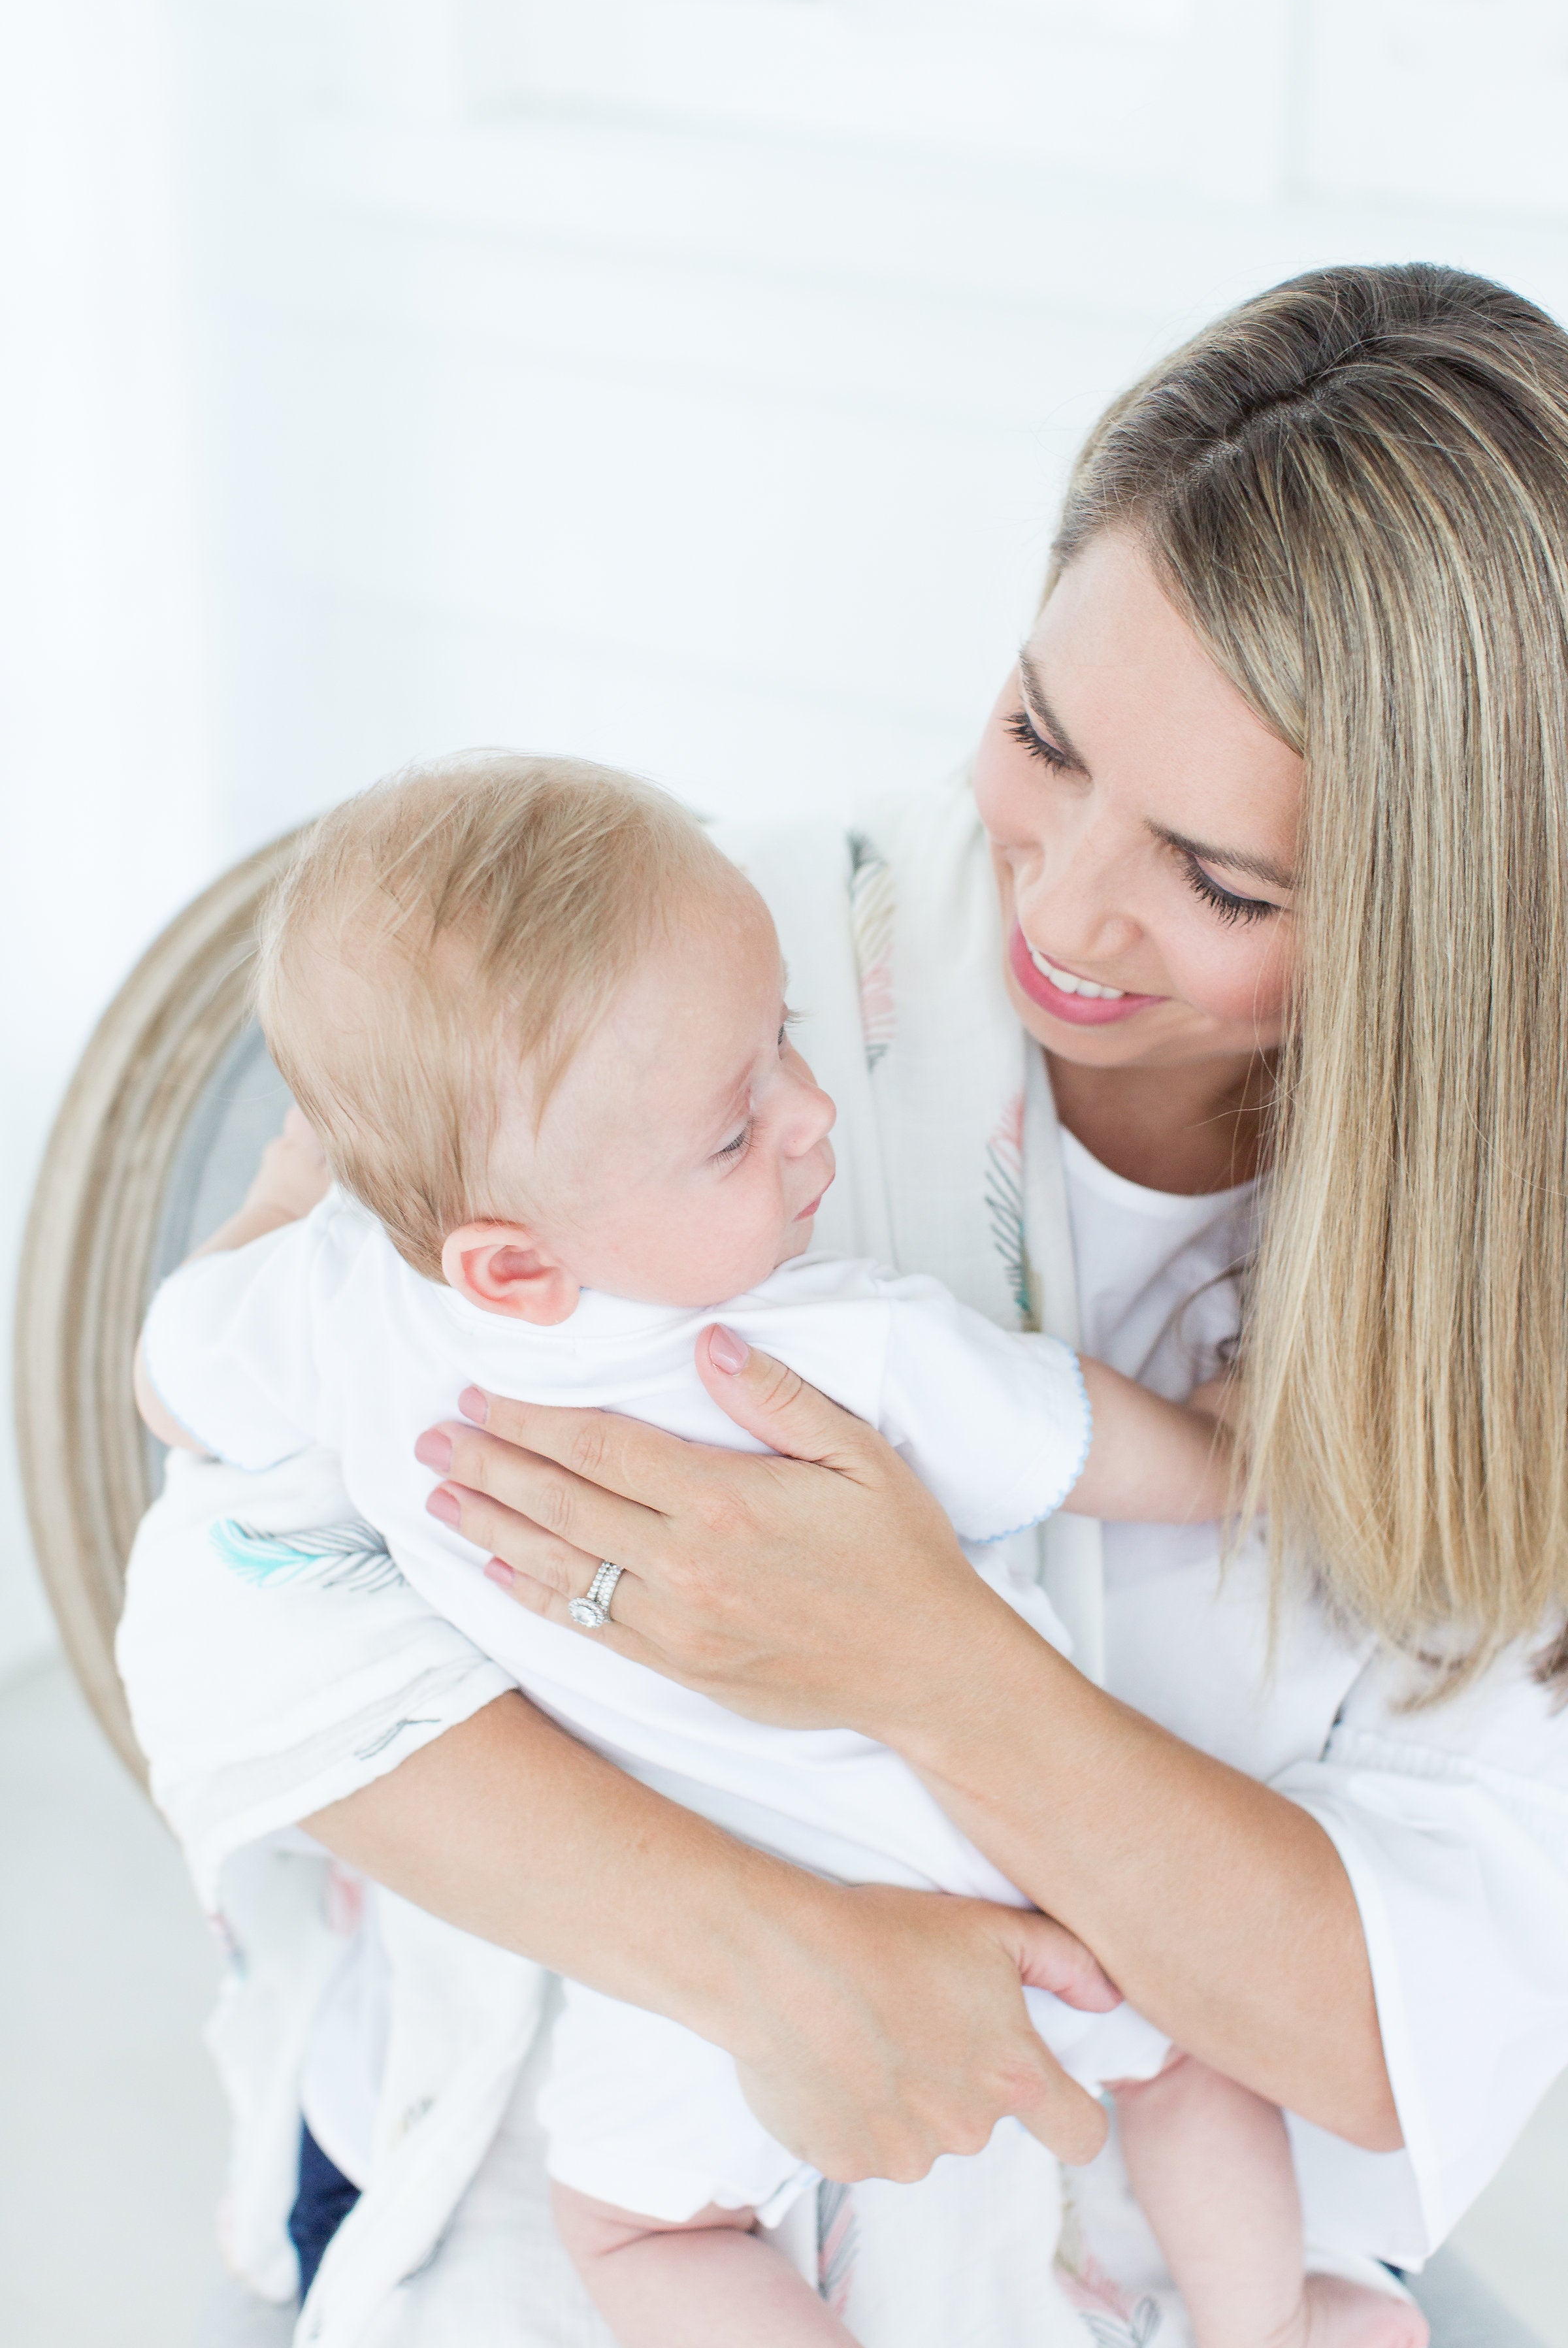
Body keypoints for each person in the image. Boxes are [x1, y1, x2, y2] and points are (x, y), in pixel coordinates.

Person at [114, 261, 1568, 2348]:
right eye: (1040, 740)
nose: (1061, 908)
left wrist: (924, 1658)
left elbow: (1391, 2009)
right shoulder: (683, 963)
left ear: (1462, 914)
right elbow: (235, 1604)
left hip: (1166, 2229)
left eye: (1223, 882)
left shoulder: (1510, 1306)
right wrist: (751, 1947)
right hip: (598, 2144)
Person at [137, 755, 1387, 2348]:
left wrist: (284, 1198)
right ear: (511, 1265)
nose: (809, 1121)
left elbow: (172, 1381)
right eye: (735, 1134)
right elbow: (1075, 1439)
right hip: (992, 1856)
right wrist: (1225, 1450)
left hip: (674, 1956)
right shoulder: (822, 1349)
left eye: (789, 1038)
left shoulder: (337, 1318)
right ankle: (1271, 2324)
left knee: (649, 2233)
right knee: (1190, 2066)